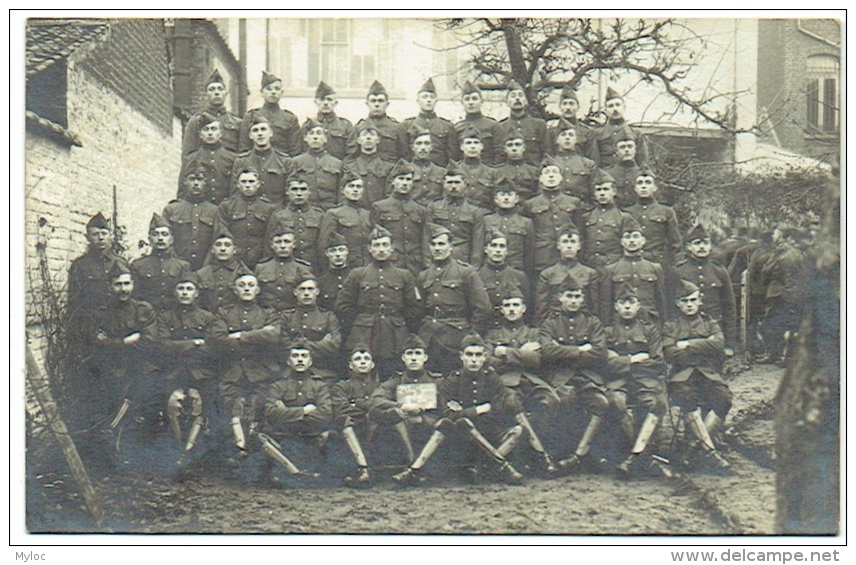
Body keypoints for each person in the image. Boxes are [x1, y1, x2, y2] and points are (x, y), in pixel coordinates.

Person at [538, 276, 609, 472]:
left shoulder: (592, 322)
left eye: (577, 296)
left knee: (601, 403)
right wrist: (580, 349)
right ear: (560, 297)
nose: (574, 300)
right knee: (564, 399)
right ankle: (559, 452)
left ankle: (580, 454)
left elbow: (599, 353)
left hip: (587, 377)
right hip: (560, 377)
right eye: (569, 296)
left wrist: (562, 350)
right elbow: (546, 352)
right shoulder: (550, 323)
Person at [486, 283, 559, 472]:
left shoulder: (535, 333)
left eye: (515, 305)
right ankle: (539, 453)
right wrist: (523, 354)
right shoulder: (492, 334)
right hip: (506, 382)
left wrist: (507, 352)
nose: (511, 310)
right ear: (501, 310)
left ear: (524, 309)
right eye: (507, 306)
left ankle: (533, 449)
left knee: (551, 400)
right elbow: (488, 362)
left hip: (532, 380)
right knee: (512, 403)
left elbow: (541, 360)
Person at [335, 226, 422, 380]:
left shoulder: (403, 275)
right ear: (369, 248)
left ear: (392, 248)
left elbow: (413, 309)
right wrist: (362, 320)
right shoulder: (357, 274)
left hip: (394, 334)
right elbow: (342, 306)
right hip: (364, 333)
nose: (381, 250)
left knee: (393, 373)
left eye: (384, 245)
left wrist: (399, 324)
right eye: (376, 245)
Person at [209, 271, 281, 458]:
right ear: (235, 290)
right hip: (233, 373)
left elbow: (274, 336)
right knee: (232, 407)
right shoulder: (224, 313)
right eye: (242, 285)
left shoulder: (268, 313)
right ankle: (235, 451)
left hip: (262, 373)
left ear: (257, 290)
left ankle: (261, 455)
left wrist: (240, 336)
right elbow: (219, 340)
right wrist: (258, 335)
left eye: (251, 285)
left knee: (262, 408)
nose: (247, 288)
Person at [662, 280, 731, 471]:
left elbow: (718, 346)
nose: (689, 305)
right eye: (684, 301)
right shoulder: (671, 326)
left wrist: (687, 344)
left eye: (693, 300)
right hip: (681, 377)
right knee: (687, 398)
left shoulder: (710, 323)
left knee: (724, 399)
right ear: (678, 303)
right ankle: (710, 451)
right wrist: (704, 344)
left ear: (700, 301)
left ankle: (693, 447)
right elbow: (670, 354)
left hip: (708, 374)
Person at [603, 283, 670, 477]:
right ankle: (644, 456)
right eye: (622, 303)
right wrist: (634, 359)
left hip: (644, 381)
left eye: (631, 302)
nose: (627, 307)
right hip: (617, 382)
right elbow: (603, 363)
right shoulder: (607, 332)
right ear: (616, 306)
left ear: (638, 305)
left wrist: (619, 359)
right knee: (615, 402)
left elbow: (657, 362)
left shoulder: (650, 331)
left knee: (658, 403)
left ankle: (634, 456)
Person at [87, 264, 159, 443]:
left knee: (145, 397)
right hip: (112, 367)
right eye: (118, 284)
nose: (123, 289)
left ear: (133, 285)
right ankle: (111, 438)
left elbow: (149, 343)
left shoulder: (144, 309)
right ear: (110, 287)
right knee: (107, 400)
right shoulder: (101, 312)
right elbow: (96, 343)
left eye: (127, 284)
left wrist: (111, 342)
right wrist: (126, 341)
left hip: (141, 367)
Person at [155, 272, 220, 462]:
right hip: (173, 372)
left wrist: (180, 347)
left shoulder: (208, 317)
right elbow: (162, 346)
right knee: (166, 406)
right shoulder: (165, 317)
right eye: (181, 288)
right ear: (175, 292)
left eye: (189, 289)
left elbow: (212, 347)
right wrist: (194, 343)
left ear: (197, 293)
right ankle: (174, 448)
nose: (185, 293)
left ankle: (195, 452)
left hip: (201, 373)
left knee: (207, 406)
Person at [417, 224, 492, 375]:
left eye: (441, 244)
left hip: (456, 337)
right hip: (430, 337)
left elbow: (482, 307)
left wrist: (470, 337)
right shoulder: (424, 275)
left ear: (451, 247)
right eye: (433, 244)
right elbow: (419, 309)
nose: (437, 248)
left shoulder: (466, 272)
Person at [369, 334, 445, 472]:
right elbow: (376, 399)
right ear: (403, 358)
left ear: (425, 358)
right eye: (409, 354)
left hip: (429, 424)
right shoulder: (396, 381)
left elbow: (444, 406)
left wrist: (422, 417)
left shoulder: (437, 381)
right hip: (403, 424)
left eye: (418, 353)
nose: (414, 358)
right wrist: (400, 406)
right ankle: (411, 460)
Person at [260, 341, 333, 477]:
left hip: (311, 436)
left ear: (310, 362)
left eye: (304, 356)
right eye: (295, 356)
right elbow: (270, 413)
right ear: (288, 361)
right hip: (284, 437)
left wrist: (286, 412)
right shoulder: (278, 386)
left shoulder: (319, 386)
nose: (300, 359)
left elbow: (325, 414)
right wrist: (304, 411)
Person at [67, 212, 130, 347]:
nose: (100, 238)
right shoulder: (80, 265)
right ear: (87, 237)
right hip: (91, 327)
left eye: (104, 233)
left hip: (119, 324)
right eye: (95, 234)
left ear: (110, 236)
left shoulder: (121, 263)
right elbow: (74, 302)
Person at [675, 224, 738, 355]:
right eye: (697, 243)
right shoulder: (679, 271)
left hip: (714, 331)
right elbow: (672, 307)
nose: (702, 247)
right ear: (688, 247)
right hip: (687, 332)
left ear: (710, 246)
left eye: (706, 243)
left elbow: (729, 307)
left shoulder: (719, 271)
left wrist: (729, 343)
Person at [600, 215, 668, 326]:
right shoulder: (611, 269)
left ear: (643, 241)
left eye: (635, 236)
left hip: (649, 323)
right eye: (627, 237)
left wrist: (664, 326)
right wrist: (607, 327)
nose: (632, 240)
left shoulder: (654, 268)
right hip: (621, 326)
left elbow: (661, 301)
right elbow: (606, 304)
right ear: (622, 242)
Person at [521, 156, 584, 273]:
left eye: (555, 172)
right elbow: (529, 236)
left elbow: (579, 230)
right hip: (542, 256)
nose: (551, 175)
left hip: (568, 256)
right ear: (540, 178)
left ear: (561, 177)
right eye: (546, 173)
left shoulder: (573, 202)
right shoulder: (530, 204)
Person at [371, 160, 432, 277]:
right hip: (391, 264)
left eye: (408, 179)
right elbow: (375, 239)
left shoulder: (420, 210)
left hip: (414, 266)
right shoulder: (379, 207)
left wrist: (427, 266)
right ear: (393, 181)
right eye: (401, 179)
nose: (405, 183)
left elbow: (425, 240)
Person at [758, 223, 809, 365]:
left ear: (781, 236)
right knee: (775, 325)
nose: (772, 236)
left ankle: (785, 357)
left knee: (783, 326)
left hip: (782, 296)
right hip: (780, 295)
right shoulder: (785, 252)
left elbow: (790, 280)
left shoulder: (786, 255)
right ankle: (775, 355)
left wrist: (791, 301)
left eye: (775, 233)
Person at [331, 346, 381, 484]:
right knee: (344, 421)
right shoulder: (341, 387)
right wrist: (368, 411)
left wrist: (356, 404)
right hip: (354, 426)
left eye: (366, 359)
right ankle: (363, 468)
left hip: (377, 427)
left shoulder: (380, 387)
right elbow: (342, 409)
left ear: (372, 365)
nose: (363, 362)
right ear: (351, 365)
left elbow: (385, 404)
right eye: (358, 359)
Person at [281, 275, 342, 383]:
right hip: (290, 373)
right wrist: (321, 344)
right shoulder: (286, 317)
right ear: (295, 292)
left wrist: (300, 345)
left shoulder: (328, 316)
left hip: (321, 372)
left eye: (310, 289)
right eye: (302, 289)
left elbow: (334, 345)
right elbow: (282, 345)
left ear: (317, 292)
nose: (306, 293)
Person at [216, 166, 277, 270]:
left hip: (261, 260)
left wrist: (266, 258)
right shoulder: (227, 206)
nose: (247, 185)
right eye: (244, 182)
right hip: (235, 261)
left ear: (258, 184)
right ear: (238, 185)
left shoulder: (269, 208)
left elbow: (271, 235)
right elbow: (222, 231)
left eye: (251, 181)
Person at [535, 223, 599, 322]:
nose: (569, 246)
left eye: (573, 242)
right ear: (558, 246)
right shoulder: (547, 274)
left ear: (579, 246)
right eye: (565, 242)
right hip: (556, 325)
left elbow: (594, 308)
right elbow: (542, 309)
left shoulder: (590, 273)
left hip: (582, 325)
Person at [428, 162, 487, 268]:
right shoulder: (434, 207)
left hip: (464, 261)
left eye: (457, 182)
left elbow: (477, 242)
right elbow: (426, 237)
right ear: (444, 184)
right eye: (450, 182)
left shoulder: (474, 211)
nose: (453, 186)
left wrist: (475, 267)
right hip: (437, 260)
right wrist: (428, 265)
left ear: (465, 183)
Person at [163, 164, 219, 271]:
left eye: (200, 179)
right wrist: (177, 263)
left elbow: (216, 240)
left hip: (206, 268)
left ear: (205, 183)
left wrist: (205, 267)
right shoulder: (171, 210)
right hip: (176, 267)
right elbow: (166, 239)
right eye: (192, 179)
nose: (196, 183)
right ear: (185, 181)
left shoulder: (215, 211)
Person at [130, 213, 191, 311]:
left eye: (164, 234)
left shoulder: (183, 266)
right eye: (155, 234)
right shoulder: (138, 265)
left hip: (173, 318)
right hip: (147, 317)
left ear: (171, 240)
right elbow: (135, 297)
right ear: (149, 239)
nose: (160, 238)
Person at [625, 168, 683, 270]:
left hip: (658, 264)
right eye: (640, 183)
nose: (643, 186)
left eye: (648, 182)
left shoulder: (666, 212)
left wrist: (679, 265)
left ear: (655, 187)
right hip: (631, 264)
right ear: (635, 188)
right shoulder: (626, 212)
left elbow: (675, 243)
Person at [265, 173, 325, 271]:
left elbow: (323, 245)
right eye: (294, 189)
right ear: (287, 192)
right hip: (285, 267)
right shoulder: (279, 215)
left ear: (309, 191)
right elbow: (269, 246)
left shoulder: (319, 215)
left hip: (313, 266)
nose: (299, 193)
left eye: (303, 189)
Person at [231, 115, 294, 207]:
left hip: (277, 214)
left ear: (270, 133)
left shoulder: (285, 161)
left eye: (263, 129)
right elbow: (235, 195)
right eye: (255, 130)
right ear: (250, 136)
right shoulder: (241, 162)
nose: (260, 134)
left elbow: (290, 195)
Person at [253, 222, 314, 313]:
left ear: (294, 244)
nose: (282, 246)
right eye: (278, 242)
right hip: (266, 316)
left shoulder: (304, 268)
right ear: (271, 245)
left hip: (293, 318)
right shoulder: (261, 268)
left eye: (287, 241)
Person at [179, 112, 238, 205]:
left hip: (225, 212)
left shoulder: (232, 158)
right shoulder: (191, 159)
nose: (210, 133)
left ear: (220, 133)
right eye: (206, 129)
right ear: (200, 134)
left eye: (213, 129)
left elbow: (236, 191)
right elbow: (182, 191)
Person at [477, 228, 530, 330]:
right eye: (493, 245)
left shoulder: (519, 276)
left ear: (506, 251)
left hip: (511, 331)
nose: (498, 250)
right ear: (485, 249)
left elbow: (527, 307)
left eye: (502, 246)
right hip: (486, 328)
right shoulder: (477, 276)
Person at [239, 71, 301, 156]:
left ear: (281, 93)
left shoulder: (290, 119)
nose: (273, 92)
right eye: (269, 89)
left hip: (282, 165)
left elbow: (295, 152)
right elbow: (244, 149)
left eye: (277, 89)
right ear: (261, 92)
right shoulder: (250, 117)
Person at [319, 171, 373, 269]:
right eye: (351, 186)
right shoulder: (334, 213)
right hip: (345, 268)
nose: (355, 190)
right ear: (343, 190)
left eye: (359, 187)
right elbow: (324, 246)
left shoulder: (368, 214)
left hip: (367, 268)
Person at [482, 177, 535, 276]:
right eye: (502, 195)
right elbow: (480, 248)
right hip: (490, 271)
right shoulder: (486, 220)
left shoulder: (526, 223)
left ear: (516, 199)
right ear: (496, 199)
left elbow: (529, 254)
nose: (506, 198)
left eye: (510, 195)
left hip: (516, 271)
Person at [182, 69, 242, 156]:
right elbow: (187, 155)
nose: (216, 92)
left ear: (226, 93)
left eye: (220, 89)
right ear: (206, 94)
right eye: (212, 89)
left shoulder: (237, 123)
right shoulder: (196, 122)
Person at [348, 80, 410, 162]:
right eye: (373, 101)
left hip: (390, 171)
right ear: (367, 104)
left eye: (380, 101)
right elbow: (353, 156)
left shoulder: (397, 128)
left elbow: (404, 156)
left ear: (387, 104)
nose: (377, 104)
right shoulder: (358, 127)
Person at [580, 170, 632, 268]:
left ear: (614, 192)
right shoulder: (587, 217)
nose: (602, 193)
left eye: (605, 189)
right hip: (590, 266)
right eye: (598, 190)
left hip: (614, 266)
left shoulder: (624, 217)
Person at [194, 227, 250, 315]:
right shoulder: (201, 274)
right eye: (218, 245)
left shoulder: (244, 273)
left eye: (227, 245)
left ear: (234, 250)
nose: (222, 249)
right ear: (212, 250)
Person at [291, 120, 344, 211]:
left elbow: (341, 192)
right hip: (305, 212)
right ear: (305, 138)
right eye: (311, 133)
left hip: (329, 212)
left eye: (319, 133)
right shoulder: (296, 162)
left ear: (325, 138)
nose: (315, 137)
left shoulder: (337, 164)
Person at [403, 78, 457, 167]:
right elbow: (404, 154)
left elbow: (452, 156)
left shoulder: (447, 126)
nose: (428, 100)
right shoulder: (407, 125)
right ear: (418, 101)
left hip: (440, 172)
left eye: (431, 97)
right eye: (425, 97)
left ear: (436, 101)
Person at [342, 122, 396, 208]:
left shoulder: (388, 167)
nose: (368, 137)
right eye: (364, 134)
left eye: (372, 134)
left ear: (378, 140)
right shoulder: (349, 166)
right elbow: (344, 194)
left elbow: (390, 195)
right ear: (358, 140)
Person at [495, 79, 547, 166]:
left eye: (520, 95)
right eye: (513, 96)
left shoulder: (539, 124)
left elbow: (546, 153)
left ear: (526, 101)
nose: (517, 98)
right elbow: (499, 156)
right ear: (507, 102)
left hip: (533, 174)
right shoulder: (501, 127)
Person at [594, 86, 647, 169]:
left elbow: (643, 163)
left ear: (624, 107)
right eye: (611, 106)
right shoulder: (598, 134)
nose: (615, 109)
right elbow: (595, 163)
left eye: (618, 105)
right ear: (605, 110)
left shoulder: (635, 134)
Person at [302, 81, 354, 161]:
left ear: (335, 103)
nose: (325, 103)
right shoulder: (307, 125)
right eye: (322, 99)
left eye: (329, 99)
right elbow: (302, 150)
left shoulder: (345, 126)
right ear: (316, 102)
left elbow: (351, 153)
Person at [549, 120, 597, 205]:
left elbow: (594, 195)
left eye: (571, 135)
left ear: (576, 140)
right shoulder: (549, 163)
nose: (567, 138)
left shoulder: (588, 164)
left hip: (582, 209)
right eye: (563, 135)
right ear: (556, 140)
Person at [547, 83, 598, 162]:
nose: (568, 108)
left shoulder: (587, 132)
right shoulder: (551, 133)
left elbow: (593, 160)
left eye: (571, 104)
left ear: (578, 107)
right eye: (565, 104)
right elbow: (548, 158)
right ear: (560, 107)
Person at [454, 81, 500, 166]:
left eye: (474, 98)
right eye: (467, 99)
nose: (471, 102)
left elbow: (499, 153)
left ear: (481, 101)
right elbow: (454, 156)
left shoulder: (493, 125)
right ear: (462, 102)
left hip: (488, 173)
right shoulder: (457, 128)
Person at [455, 126, 499, 209]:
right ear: (462, 147)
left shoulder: (492, 172)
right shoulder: (455, 170)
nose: (472, 146)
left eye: (476, 143)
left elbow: (496, 201)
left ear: (482, 146)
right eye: (468, 143)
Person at [494, 132, 540, 201]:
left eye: (518, 145)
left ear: (524, 148)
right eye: (510, 145)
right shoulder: (497, 171)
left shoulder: (534, 171)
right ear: (505, 149)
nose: (514, 148)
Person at [407, 126, 447, 206]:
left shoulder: (441, 172)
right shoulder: (405, 170)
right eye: (419, 143)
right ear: (412, 147)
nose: (423, 148)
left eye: (426, 143)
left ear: (431, 147)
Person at [602, 132, 641, 209]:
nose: (627, 150)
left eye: (630, 146)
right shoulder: (606, 174)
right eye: (622, 147)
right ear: (616, 150)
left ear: (635, 149)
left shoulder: (642, 174)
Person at [316, 232, 351, 313]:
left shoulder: (356, 277)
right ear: (326, 253)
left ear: (347, 251)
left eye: (341, 250)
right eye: (333, 251)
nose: (337, 254)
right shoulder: (321, 281)